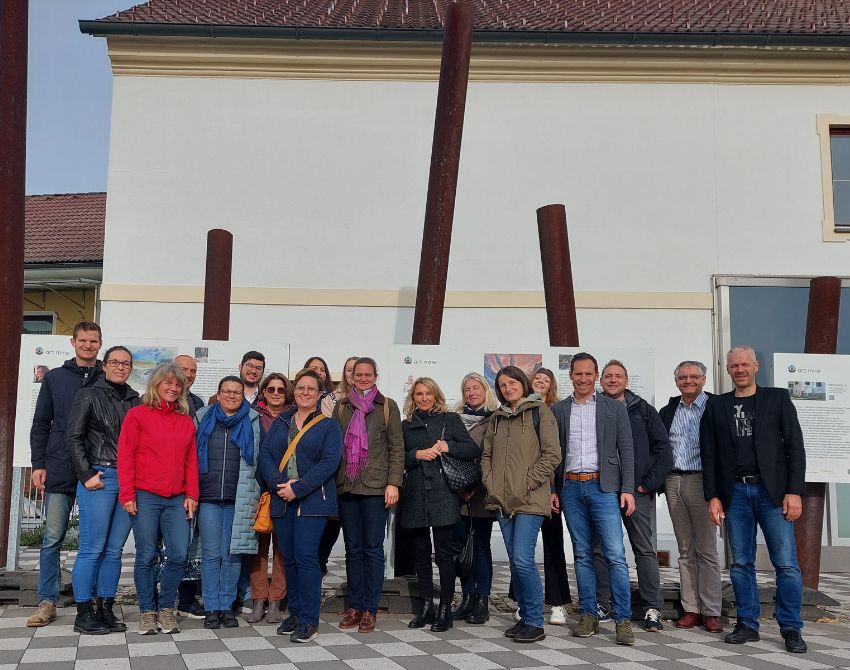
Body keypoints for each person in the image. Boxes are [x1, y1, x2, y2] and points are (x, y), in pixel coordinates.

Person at [700, 346, 807, 654]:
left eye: (745, 364)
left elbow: (795, 448)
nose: (740, 369)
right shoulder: (717, 405)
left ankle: (790, 628)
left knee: (786, 564)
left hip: (772, 493)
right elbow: (709, 455)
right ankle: (747, 624)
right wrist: (713, 496)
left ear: (756, 366)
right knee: (741, 563)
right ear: (728, 370)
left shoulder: (777, 399)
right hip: (735, 495)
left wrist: (794, 491)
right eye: (734, 365)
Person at [551, 352, 636, 646]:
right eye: (578, 374)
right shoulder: (558, 410)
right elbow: (553, 454)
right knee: (582, 554)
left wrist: (627, 488)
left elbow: (627, 449)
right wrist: (553, 489)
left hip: (604, 487)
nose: (583, 379)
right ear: (571, 376)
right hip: (571, 488)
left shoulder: (614, 408)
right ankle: (588, 614)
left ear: (596, 376)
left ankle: (623, 619)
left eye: (589, 374)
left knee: (615, 554)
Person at [28, 320, 104, 628]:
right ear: (72, 342)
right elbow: (41, 423)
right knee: (52, 537)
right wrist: (38, 464)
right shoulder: (55, 378)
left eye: (93, 340)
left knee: (93, 539)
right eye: (83, 340)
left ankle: (95, 597)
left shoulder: (107, 378)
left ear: (100, 343)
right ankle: (48, 600)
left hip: (95, 469)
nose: (88, 345)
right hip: (59, 466)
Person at [259, 369, 343, 643]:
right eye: (300, 388)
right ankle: (294, 613)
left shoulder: (328, 426)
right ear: (294, 392)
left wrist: (299, 487)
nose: (305, 392)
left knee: (307, 558)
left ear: (320, 394)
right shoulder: (282, 420)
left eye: (311, 389)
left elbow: (330, 463)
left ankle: (309, 620)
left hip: (312, 501)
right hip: (282, 499)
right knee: (289, 558)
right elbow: (265, 457)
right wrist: (278, 484)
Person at [481, 365, 561, 644]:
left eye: (512, 382)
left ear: (523, 383)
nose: (508, 388)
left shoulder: (541, 412)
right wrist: (491, 484)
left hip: (529, 499)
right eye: (502, 385)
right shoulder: (497, 418)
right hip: (502, 501)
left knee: (524, 560)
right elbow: (487, 455)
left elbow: (552, 455)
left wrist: (526, 482)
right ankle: (526, 618)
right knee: (516, 562)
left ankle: (535, 623)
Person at [118, 363, 199, 636]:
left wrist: (192, 494)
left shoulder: (186, 421)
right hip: (145, 495)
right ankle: (147, 612)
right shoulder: (137, 415)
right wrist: (127, 493)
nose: (174, 388)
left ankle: (166, 609)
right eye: (168, 383)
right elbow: (126, 456)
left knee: (178, 553)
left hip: (177, 498)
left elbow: (191, 461)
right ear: (156, 384)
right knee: (146, 555)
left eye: (178, 385)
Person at [67, 345, 141, 635]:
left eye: (126, 363)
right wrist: (86, 475)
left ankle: (105, 609)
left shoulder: (135, 400)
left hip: (128, 479)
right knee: (91, 548)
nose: (121, 367)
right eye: (115, 362)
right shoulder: (89, 394)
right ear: (104, 365)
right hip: (100, 476)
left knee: (114, 550)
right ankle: (83, 612)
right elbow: (73, 437)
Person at [596, 360, 672, 632]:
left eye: (618, 376)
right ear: (601, 380)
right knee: (600, 549)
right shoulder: (592, 407)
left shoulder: (643, 410)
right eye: (608, 376)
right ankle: (603, 604)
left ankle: (652, 607)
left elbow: (663, 449)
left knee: (644, 549)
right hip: (603, 491)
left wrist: (646, 485)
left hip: (637, 492)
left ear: (627, 380)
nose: (613, 380)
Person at [401, 377, 479, 631]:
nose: (423, 398)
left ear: (436, 396)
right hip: (415, 495)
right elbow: (396, 456)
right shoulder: (406, 425)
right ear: (413, 398)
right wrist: (415, 455)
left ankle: (445, 607)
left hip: (443, 494)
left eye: (428, 394)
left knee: (444, 555)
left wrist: (448, 446)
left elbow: (472, 450)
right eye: (419, 394)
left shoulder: (450, 420)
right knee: (420, 555)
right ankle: (426, 607)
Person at [332, 357, 403, 634]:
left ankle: (370, 609)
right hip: (347, 485)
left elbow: (396, 447)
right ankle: (355, 605)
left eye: (368, 374)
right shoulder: (341, 407)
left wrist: (393, 483)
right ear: (351, 377)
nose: (363, 378)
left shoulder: (387, 406)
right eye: (358, 374)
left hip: (375, 487)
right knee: (352, 549)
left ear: (376, 376)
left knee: (373, 549)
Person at [658, 361, 723, 632]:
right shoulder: (669, 409)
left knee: (706, 549)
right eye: (683, 377)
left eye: (693, 376)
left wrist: (718, 490)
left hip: (702, 481)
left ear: (703, 379)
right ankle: (691, 608)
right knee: (685, 549)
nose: (688, 381)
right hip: (674, 480)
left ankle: (711, 611)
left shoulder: (716, 406)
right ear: (676, 382)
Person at [194, 376, 262, 630]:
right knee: (211, 555)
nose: (231, 396)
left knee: (233, 556)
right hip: (208, 497)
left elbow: (259, 459)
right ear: (219, 393)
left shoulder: (252, 420)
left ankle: (227, 606)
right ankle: (212, 607)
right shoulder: (202, 417)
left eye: (236, 392)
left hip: (240, 497)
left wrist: (256, 494)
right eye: (227, 391)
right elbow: (190, 454)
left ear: (243, 395)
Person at [513, 367, 573, 626]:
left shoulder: (556, 410)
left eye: (545, 380)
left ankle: (557, 603)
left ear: (551, 386)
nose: (540, 382)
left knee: (552, 544)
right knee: (520, 550)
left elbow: (555, 454)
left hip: (550, 490)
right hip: (522, 491)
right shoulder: (519, 409)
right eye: (536, 379)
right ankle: (522, 601)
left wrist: (553, 489)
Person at [452, 373, 498, 625]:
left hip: (480, 495)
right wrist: (458, 487)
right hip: (457, 495)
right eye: (467, 388)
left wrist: (474, 488)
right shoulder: (456, 419)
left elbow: (491, 457)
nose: (471, 392)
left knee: (480, 548)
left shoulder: (494, 419)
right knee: (460, 549)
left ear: (485, 390)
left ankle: (482, 600)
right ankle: (467, 596)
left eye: (476, 388)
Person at [247, 373, 292, 624]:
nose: (276, 393)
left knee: (282, 550)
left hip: (288, 490)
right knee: (258, 550)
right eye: (271, 389)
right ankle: (258, 600)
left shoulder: (295, 416)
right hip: (259, 489)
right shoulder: (253, 415)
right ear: (263, 391)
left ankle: (276, 602)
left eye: (281, 390)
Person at [318, 355, 358, 578]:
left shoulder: (377, 401)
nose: (354, 375)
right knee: (329, 528)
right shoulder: (331, 400)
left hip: (361, 476)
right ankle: (319, 570)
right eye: (350, 370)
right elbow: (327, 432)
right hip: (335, 472)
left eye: (359, 370)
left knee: (354, 536)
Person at [173, 354, 205, 617]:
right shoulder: (149, 402)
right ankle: (154, 600)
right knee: (159, 545)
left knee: (190, 545)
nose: (188, 374)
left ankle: (186, 598)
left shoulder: (198, 404)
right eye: (183, 369)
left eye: (193, 370)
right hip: (160, 485)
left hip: (190, 485)